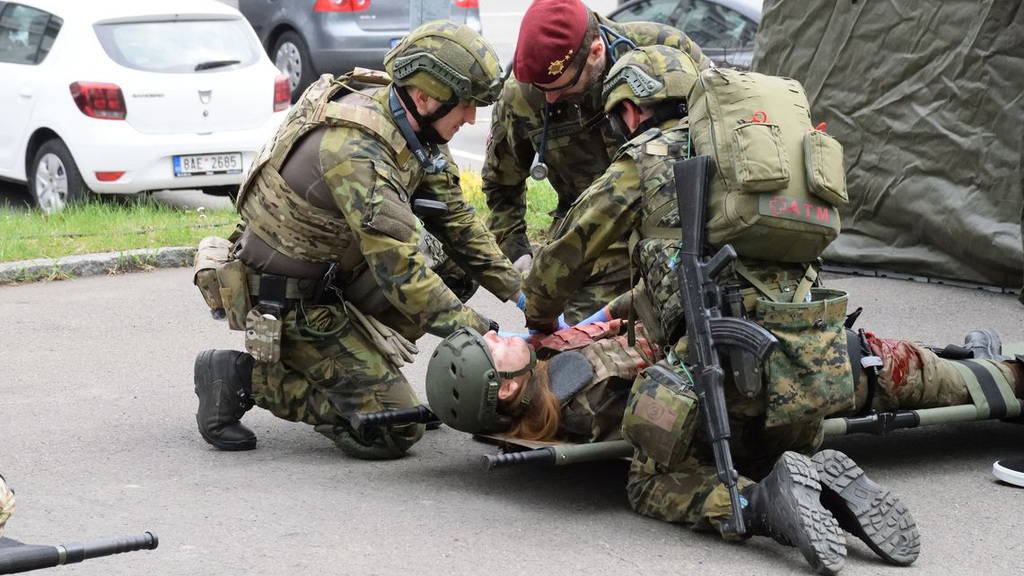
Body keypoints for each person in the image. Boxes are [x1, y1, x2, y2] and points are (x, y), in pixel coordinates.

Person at [515, 44, 1022, 573]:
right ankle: (816, 475)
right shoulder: (775, 159)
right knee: (763, 453)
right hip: (811, 373)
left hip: (721, 374)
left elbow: (562, 258)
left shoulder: (643, 162)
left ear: (630, 108)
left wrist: (541, 320)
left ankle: (758, 504)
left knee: (652, 482)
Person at [192, 21, 523, 460]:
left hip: (336, 279)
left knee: (456, 268)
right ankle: (242, 378)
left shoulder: (411, 120)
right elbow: (401, 274)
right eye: (465, 106)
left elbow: (458, 224)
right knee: (393, 429)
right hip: (293, 303)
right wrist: (486, 338)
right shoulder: (357, 153)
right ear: (426, 97)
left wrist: (523, 295)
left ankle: (356, 373)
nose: (470, 119)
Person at [482, 0, 711, 323]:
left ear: (596, 51)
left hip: (677, 229)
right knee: (577, 354)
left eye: (560, 87)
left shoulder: (666, 51)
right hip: (590, 246)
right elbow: (501, 185)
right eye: (541, 89)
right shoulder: (522, 95)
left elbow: (721, 129)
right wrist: (518, 250)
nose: (549, 98)